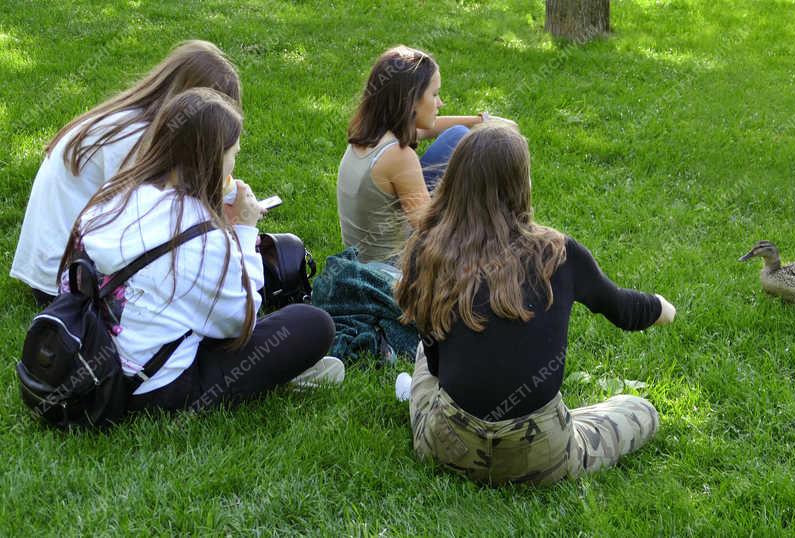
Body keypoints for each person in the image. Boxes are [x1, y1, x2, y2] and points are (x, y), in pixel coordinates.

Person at [394, 122, 676, 485]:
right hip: (543, 454)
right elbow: (620, 307)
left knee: (422, 356)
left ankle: (413, 400)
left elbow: (435, 365)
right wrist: (661, 307)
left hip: (450, 447)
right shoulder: (557, 253)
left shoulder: (427, 249)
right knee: (640, 409)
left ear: (455, 180)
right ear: (520, 184)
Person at [59, 88, 341, 414]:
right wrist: (244, 231)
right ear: (212, 159)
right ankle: (284, 373)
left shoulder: (115, 193)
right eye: (233, 153)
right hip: (152, 388)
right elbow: (240, 322)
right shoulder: (200, 234)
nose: (235, 161)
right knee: (314, 324)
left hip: (89, 352)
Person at [11, 40, 242, 306]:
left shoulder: (130, 120)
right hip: (64, 280)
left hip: (56, 263)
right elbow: (157, 219)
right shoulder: (134, 139)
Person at [337, 45, 508, 274]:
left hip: (360, 258)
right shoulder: (398, 156)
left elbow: (430, 128)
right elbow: (431, 234)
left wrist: (482, 121)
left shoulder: (371, 131)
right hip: (387, 272)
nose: (440, 103)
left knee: (457, 135)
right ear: (411, 101)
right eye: (434, 95)